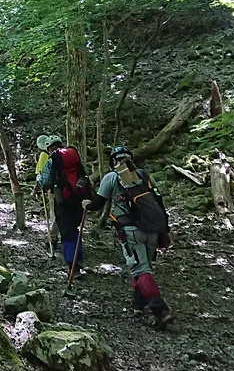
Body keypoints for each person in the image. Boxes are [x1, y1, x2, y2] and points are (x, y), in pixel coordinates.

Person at [85, 145, 174, 329]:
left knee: (140, 270)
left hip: (130, 231)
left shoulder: (111, 177)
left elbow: (98, 203)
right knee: (145, 266)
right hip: (152, 230)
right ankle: (138, 304)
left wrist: (87, 204)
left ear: (113, 161)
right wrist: (165, 229)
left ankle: (160, 310)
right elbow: (158, 201)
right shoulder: (143, 175)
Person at [36, 138, 92, 276]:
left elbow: (45, 182)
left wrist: (38, 181)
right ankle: (78, 259)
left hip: (63, 202)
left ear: (49, 148)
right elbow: (86, 172)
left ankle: (73, 266)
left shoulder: (52, 160)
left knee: (66, 233)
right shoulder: (74, 156)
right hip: (79, 200)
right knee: (74, 229)